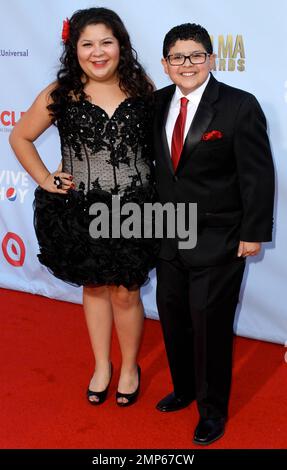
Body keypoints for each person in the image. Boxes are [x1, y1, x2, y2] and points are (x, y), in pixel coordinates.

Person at [9, 7, 159, 407]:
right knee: (94, 288)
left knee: (126, 292)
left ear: (120, 45)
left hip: (134, 210)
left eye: (106, 42)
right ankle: (102, 365)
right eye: (87, 43)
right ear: (73, 49)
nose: (98, 52)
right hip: (81, 210)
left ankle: (129, 367)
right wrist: (45, 178)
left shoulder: (142, 86)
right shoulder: (61, 93)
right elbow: (20, 137)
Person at [153, 23, 274, 444]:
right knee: (173, 319)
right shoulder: (156, 104)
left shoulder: (239, 106)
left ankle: (211, 410)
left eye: (196, 55)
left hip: (219, 238)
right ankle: (184, 389)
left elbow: (257, 174)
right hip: (168, 236)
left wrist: (252, 232)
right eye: (178, 57)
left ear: (211, 59)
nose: (187, 64)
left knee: (210, 327)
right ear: (165, 64)